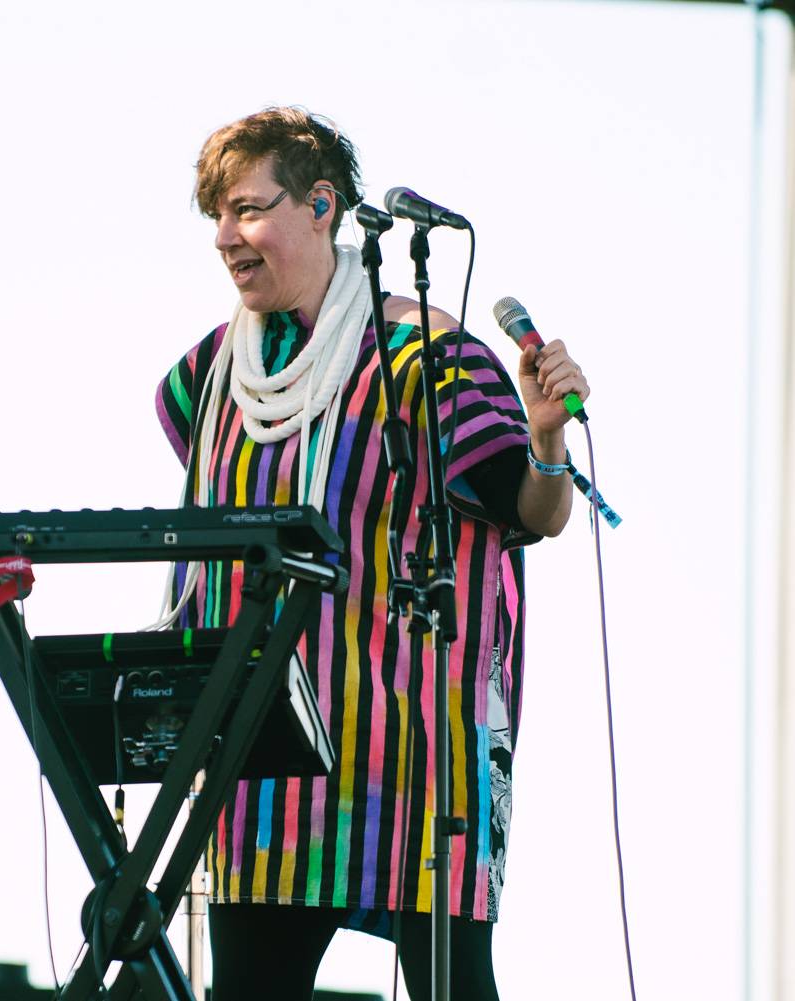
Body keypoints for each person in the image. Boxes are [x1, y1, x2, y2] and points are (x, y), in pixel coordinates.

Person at [154, 107, 590, 1001]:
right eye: (217, 217)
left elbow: (533, 511)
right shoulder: (204, 378)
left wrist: (546, 440)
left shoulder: (428, 354)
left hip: (419, 760)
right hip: (269, 767)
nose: (226, 236)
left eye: (247, 209)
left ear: (322, 205)